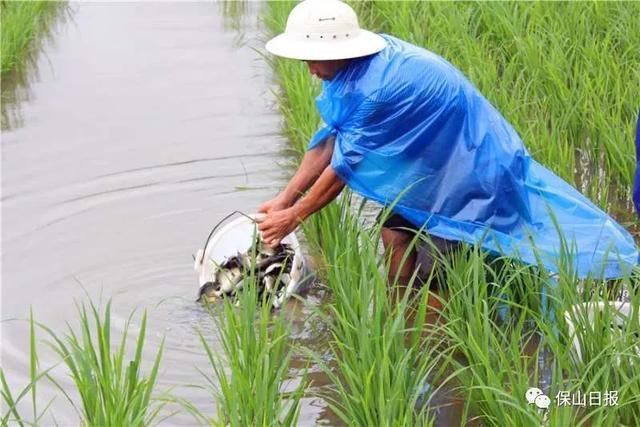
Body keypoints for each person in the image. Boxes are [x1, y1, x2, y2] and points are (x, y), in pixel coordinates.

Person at [257, 0, 638, 287]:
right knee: (394, 234)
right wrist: (285, 199)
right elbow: (328, 141)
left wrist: (295, 216)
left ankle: (439, 354)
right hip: (440, 166)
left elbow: (343, 167)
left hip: (474, 171)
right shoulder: (354, 70)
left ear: (337, 50)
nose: (308, 68)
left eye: (312, 58)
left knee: (436, 269)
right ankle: (402, 329)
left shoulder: (377, 88)